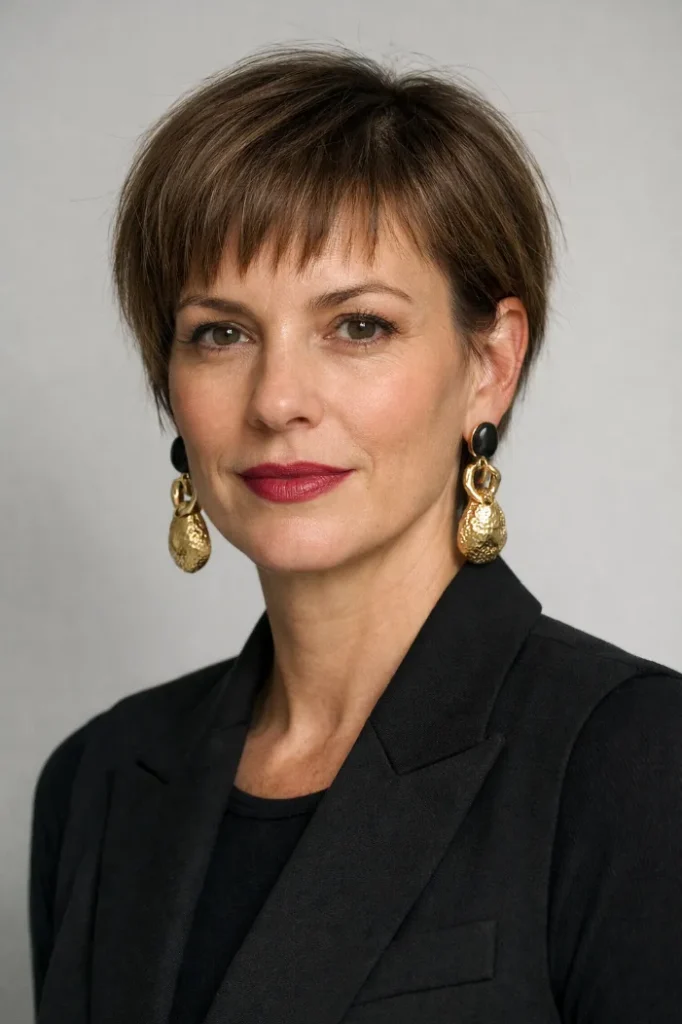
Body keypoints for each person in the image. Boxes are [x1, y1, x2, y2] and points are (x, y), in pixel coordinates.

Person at [28, 43, 682, 1024]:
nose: (277, 399)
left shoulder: (636, 760)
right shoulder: (98, 779)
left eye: (358, 326)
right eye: (221, 332)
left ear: (490, 364)